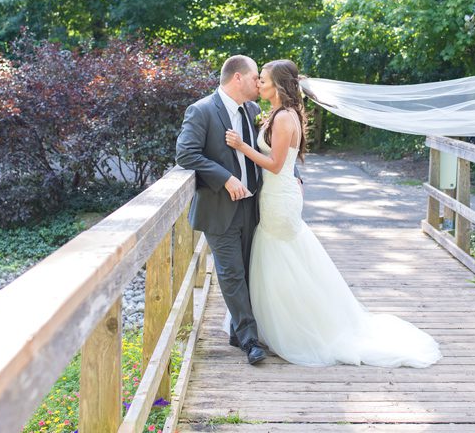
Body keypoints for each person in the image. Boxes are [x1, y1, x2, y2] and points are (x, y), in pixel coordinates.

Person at [225, 59, 442, 367]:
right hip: (274, 196)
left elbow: (274, 164)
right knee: (279, 260)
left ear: (278, 86)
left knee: (281, 260)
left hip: (279, 200)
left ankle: (297, 330)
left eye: (263, 80)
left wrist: (241, 146)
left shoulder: (286, 118)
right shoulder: (275, 113)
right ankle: (276, 325)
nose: (258, 84)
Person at [175, 55, 267, 365]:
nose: (259, 83)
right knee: (230, 273)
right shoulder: (201, 111)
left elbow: (266, 152)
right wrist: (224, 178)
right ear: (237, 78)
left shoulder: (253, 111)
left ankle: (235, 330)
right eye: (255, 77)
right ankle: (249, 338)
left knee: (248, 268)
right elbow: (185, 154)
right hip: (218, 207)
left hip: (253, 204)